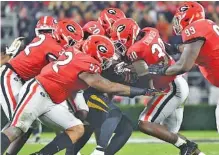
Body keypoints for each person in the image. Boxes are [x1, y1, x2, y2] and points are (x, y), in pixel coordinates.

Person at [1, 34, 160, 155]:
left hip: (52, 99)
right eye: (106, 57)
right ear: (97, 52)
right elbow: (108, 86)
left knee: (77, 129)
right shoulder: (87, 63)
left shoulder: (77, 53)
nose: (108, 61)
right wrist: (142, 91)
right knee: (18, 129)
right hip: (38, 91)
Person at [0, 17, 84, 154]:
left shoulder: (44, 41)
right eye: (44, 31)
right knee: (18, 123)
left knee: (28, 123)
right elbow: (65, 70)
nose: (46, 34)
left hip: (20, 79)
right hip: (11, 77)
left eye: (48, 31)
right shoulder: (54, 46)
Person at [126, 27, 206, 155]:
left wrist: (129, 74)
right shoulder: (151, 32)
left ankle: (188, 146)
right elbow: (169, 47)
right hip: (178, 83)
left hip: (171, 86)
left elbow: (144, 79)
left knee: (145, 123)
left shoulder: (134, 50)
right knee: (170, 134)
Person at [148, 1, 219, 133]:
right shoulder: (205, 26)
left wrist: (160, 70)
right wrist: (173, 48)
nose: (177, 22)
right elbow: (191, 49)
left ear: (189, 16)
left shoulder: (195, 28)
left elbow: (183, 66)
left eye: (179, 17)